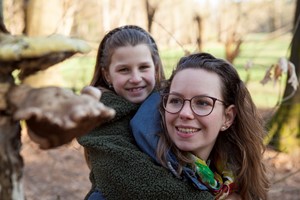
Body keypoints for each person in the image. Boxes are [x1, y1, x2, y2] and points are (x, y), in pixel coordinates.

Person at [77, 26, 214, 200]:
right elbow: (133, 179)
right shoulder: (100, 117)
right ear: (107, 74)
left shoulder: (170, 106)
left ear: (155, 68)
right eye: (124, 70)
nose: (135, 78)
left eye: (143, 67)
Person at [131, 52, 270, 200]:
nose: (185, 113)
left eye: (202, 103)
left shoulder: (232, 176)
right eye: (176, 100)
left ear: (227, 117)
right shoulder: (137, 171)